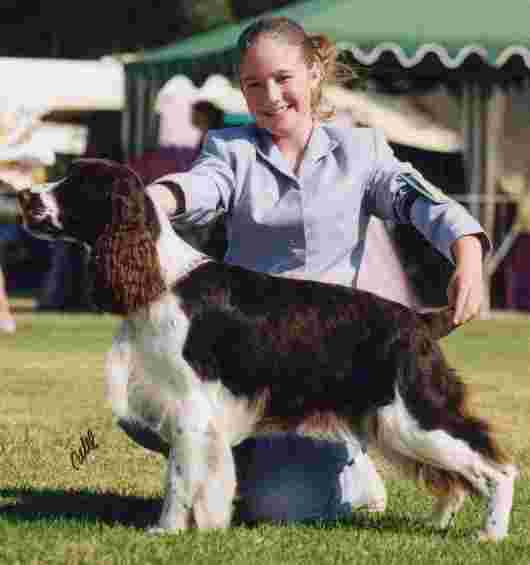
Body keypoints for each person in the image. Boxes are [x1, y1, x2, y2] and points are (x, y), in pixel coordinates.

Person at [143, 17, 489, 523]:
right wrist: (156, 197)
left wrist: (468, 252)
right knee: (146, 406)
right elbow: (203, 187)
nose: (270, 96)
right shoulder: (229, 148)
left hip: (323, 365)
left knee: (281, 510)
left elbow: (420, 200)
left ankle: (351, 470)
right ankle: (235, 459)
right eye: (253, 85)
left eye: (283, 78)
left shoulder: (362, 149)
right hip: (242, 355)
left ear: (312, 73)